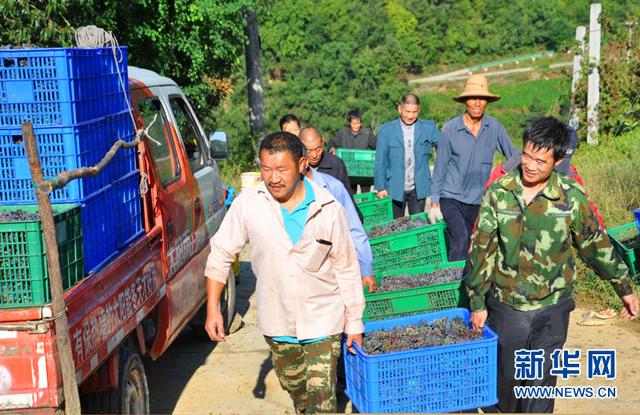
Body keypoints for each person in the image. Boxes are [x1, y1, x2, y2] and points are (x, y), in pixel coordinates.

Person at [466, 117, 639, 413]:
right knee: (507, 387)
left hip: (553, 307)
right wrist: (477, 302)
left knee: (540, 386)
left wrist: (624, 287)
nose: (531, 166)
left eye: (541, 161)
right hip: (508, 306)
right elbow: (483, 249)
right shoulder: (499, 192)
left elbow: (594, 245)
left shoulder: (571, 197)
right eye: (527, 156)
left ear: (558, 160)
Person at [204, 132, 365, 414]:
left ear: (302, 164)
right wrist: (212, 308)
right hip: (277, 322)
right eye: (266, 169)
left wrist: (354, 322)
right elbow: (220, 254)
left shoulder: (328, 208)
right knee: (300, 396)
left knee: (321, 404)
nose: (273, 178)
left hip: (323, 321)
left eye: (281, 169)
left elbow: (347, 267)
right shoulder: (249, 204)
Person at [430, 74, 516, 260]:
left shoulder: (494, 127)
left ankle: (467, 284)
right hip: (451, 197)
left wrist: (503, 174)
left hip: (479, 201)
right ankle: (453, 286)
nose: (477, 103)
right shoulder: (451, 128)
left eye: (482, 98)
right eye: (473, 98)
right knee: (460, 239)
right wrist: (435, 200)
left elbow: (514, 156)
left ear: (487, 102)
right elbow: (440, 167)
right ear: (465, 101)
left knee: (473, 246)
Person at [303, 163, 375, 293]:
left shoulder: (333, 187)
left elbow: (354, 228)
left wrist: (366, 269)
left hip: (331, 272)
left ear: (302, 162)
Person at [374, 93, 441, 218]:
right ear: (399, 108)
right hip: (393, 186)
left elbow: (444, 147)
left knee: (417, 224)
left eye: (414, 112)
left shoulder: (428, 128)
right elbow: (380, 160)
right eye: (407, 111)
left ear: (419, 110)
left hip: (418, 187)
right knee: (395, 226)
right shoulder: (386, 130)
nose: (410, 116)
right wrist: (380, 187)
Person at [299, 127, 352, 195]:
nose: (314, 155)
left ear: (323, 142)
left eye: (318, 149)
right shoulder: (297, 167)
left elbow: (346, 197)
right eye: (308, 151)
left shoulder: (336, 164)